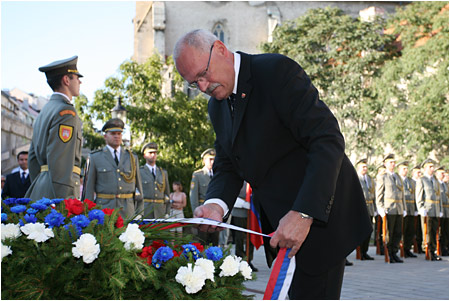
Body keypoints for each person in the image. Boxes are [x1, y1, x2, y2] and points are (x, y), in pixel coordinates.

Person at [173, 29, 371, 299]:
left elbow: (327, 140)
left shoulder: (276, 72)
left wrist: (303, 213)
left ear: (219, 49)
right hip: (280, 230)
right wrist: (215, 205)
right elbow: (228, 164)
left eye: (203, 74)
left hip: (318, 220)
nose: (204, 87)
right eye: (194, 83)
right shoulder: (217, 107)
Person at [25, 56, 83, 201]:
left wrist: (40, 184)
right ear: (66, 80)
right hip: (59, 194)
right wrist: (66, 201)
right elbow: (61, 161)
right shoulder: (66, 112)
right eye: (77, 77)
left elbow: (32, 158)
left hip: (42, 186)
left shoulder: (45, 111)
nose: (80, 81)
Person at [84, 118, 143, 219]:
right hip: (104, 209)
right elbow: (89, 188)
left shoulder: (132, 157)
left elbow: (139, 187)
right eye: (113, 133)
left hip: (127, 210)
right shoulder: (95, 157)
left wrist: (140, 212)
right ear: (105, 136)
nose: (116, 136)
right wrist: (88, 212)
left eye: (119, 133)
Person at [376, 154, 406, 263]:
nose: (393, 164)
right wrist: (380, 207)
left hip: (399, 208)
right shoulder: (382, 176)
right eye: (390, 162)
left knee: (398, 232)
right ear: (385, 164)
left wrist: (404, 207)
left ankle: (394, 252)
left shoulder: (397, 176)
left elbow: (402, 193)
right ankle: (388, 253)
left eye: (394, 162)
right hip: (389, 208)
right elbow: (379, 193)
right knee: (390, 232)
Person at [189, 148, 219, 246]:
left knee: (215, 243)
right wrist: (196, 215)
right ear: (204, 160)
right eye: (209, 159)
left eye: (214, 159)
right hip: (202, 213)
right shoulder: (198, 175)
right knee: (202, 242)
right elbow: (193, 197)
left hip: (215, 215)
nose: (212, 162)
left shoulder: (218, 175)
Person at [415, 159, 442, 261]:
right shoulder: (422, 180)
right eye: (430, 167)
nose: (432, 169)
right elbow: (419, 196)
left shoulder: (435, 180)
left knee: (434, 231)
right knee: (427, 232)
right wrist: (421, 208)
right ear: (425, 168)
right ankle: (428, 251)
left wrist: (439, 209)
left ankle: (433, 251)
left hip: (435, 209)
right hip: (427, 209)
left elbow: (438, 195)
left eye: (433, 166)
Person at [231, 181, 258, 271]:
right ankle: (239, 259)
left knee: (251, 237)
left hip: (252, 213)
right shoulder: (238, 178)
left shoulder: (253, 178)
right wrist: (243, 203)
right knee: (240, 237)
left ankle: (248, 260)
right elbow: (231, 194)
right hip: (239, 212)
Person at [139, 142, 171, 219]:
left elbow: (167, 194)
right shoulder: (140, 172)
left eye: (155, 153)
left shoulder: (163, 173)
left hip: (160, 212)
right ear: (144, 155)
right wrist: (138, 212)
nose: (153, 155)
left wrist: (167, 212)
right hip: (145, 211)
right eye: (150, 153)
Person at [356, 158, 376, 260]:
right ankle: (359, 252)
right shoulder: (356, 178)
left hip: (370, 207)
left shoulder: (370, 179)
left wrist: (376, 208)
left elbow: (374, 194)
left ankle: (365, 251)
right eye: (363, 167)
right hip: (360, 207)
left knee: (368, 230)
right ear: (358, 168)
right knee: (361, 230)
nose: (365, 168)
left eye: (366, 166)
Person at [397, 161, 418, 258]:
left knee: (410, 230)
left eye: (406, 168)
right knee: (402, 230)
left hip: (411, 208)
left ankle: (407, 248)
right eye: (404, 169)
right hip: (402, 208)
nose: (406, 170)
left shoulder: (411, 181)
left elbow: (415, 196)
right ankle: (400, 248)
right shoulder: (398, 180)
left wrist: (416, 209)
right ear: (399, 170)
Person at [435, 165, 448, 256]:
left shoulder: (444, 184)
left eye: (444, 173)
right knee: (439, 231)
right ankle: (439, 248)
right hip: (440, 210)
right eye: (441, 173)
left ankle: (445, 247)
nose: (443, 175)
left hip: (446, 210)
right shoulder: (437, 184)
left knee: (446, 231)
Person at [411, 165, 424, 254]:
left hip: (420, 209)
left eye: (420, 172)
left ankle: (419, 246)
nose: (419, 174)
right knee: (412, 229)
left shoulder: (421, 181)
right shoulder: (411, 182)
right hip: (412, 208)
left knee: (420, 229)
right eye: (417, 172)